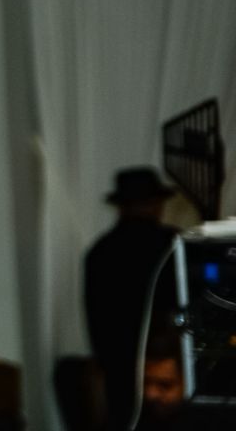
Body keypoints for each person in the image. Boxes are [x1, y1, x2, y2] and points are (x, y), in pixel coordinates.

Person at [84, 166, 180, 430]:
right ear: (155, 204)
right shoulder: (171, 244)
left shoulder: (100, 252)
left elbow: (95, 321)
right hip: (167, 364)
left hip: (119, 366)